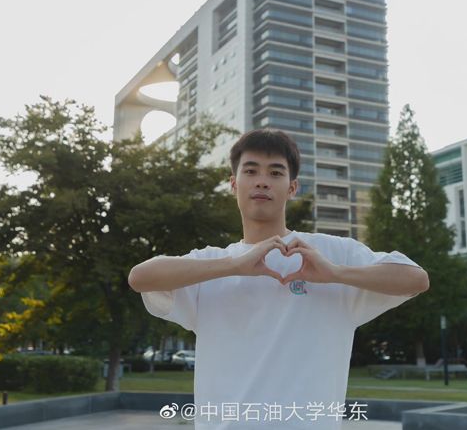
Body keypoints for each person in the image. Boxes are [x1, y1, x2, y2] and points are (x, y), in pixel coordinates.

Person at [128, 129, 430, 429]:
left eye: (275, 172)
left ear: (292, 187)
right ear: (234, 184)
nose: (262, 181)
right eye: (251, 171)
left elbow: (416, 279)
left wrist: (335, 273)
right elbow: (140, 277)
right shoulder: (212, 263)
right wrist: (233, 266)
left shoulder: (330, 253)